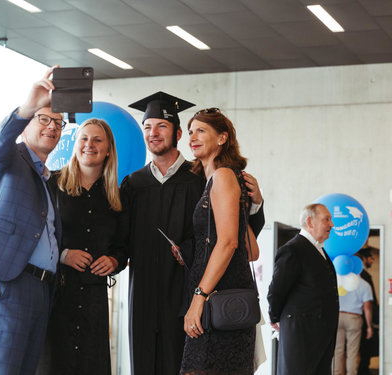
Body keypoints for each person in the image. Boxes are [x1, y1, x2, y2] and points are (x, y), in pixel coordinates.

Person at [122, 94, 265, 375]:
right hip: (145, 291)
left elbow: (237, 239)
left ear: (174, 133)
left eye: (161, 126)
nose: (153, 133)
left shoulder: (202, 177)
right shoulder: (133, 183)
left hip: (190, 289)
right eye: (148, 127)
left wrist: (256, 203)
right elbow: (119, 234)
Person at [0, 66, 63, 374]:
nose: (52, 127)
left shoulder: (48, 179)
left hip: (40, 289)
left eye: (58, 123)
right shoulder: (10, 158)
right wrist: (27, 107)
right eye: (44, 119)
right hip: (9, 282)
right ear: (26, 126)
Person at [37, 118, 128, 375]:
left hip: (94, 299)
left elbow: (123, 247)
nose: (89, 145)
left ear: (108, 149)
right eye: (84, 139)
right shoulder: (52, 185)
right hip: (56, 294)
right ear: (75, 145)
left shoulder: (117, 197)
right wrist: (64, 255)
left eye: (97, 140)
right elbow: (37, 236)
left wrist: (114, 261)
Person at [180, 107, 259, 375]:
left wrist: (198, 298)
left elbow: (228, 244)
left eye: (201, 130)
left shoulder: (223, 176)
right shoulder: (220, 179)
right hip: (224, 298)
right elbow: (251, 251)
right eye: (191, 132)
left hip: (218, 300)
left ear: (222, 138)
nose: (193, 137)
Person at [267, 203, 339, 375]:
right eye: (326, 219)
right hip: (301, 334)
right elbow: (276, 289)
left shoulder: (319, 250)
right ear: (310, 222)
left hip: (320, 335)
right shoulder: (292, 250)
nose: (332, 224)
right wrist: (275, 317)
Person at [334, 277, 373, 375]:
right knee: (352, 351)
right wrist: (369, 326)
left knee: (337, 351)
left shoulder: (338, 281)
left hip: (338, 317)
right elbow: (367, 307)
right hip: (354, 318)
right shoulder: (364, 284)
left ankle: (337, 373)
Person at [356, 247, 380, 375]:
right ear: (363, 259)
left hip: (360, 314)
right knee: (364, 346)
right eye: (370, 258)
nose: (372, 260)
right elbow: (368, 302)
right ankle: (362, 370)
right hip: (363, 315)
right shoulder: (364, 277)